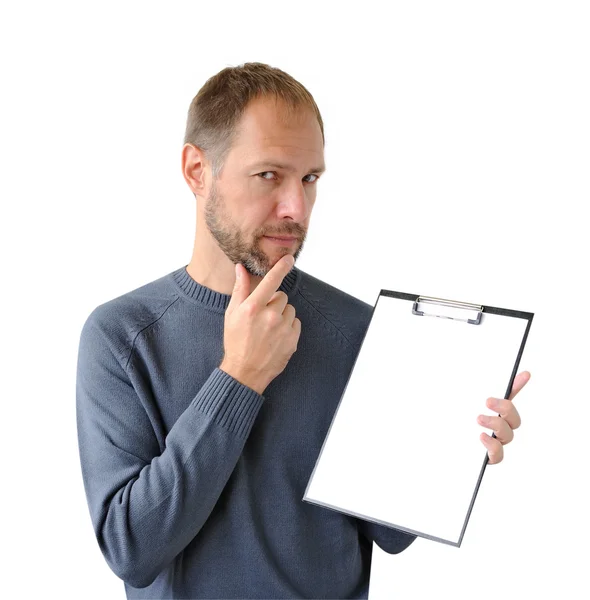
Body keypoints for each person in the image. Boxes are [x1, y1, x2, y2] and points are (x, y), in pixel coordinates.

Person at [76, 62, 530, 599]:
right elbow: (132, 549)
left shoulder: (359, 330)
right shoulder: (123, 337)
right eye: (269, 174)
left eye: (309, 179)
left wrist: (453, 447)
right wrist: (239, 377)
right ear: (197, 170)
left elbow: (388, 534)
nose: (296, 207)